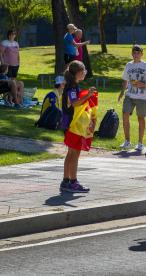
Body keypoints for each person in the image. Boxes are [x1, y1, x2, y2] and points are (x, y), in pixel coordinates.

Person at [60, 60, 95, 193]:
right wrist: (88, 96)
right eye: (84, 71)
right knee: (75, 153)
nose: (85, 73)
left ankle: (66, 181)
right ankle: (73, 182)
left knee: (71, 153)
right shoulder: (72, 87)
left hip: (68, 121)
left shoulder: (72, 85)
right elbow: (74, 103)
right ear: (79, 73)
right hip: (71, 123)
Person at [118, 44, 146, 151]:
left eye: (138, 53)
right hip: (129, 94)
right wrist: (122, 92)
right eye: (134, 53)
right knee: (125, 114)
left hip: (142, 96)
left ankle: (140, 143)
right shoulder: (128, 66)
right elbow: (125, 80)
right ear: (132, 53)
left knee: (141, 118)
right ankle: (127, 141)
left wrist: (142, 84)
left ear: (141, 54)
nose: (136, 55)